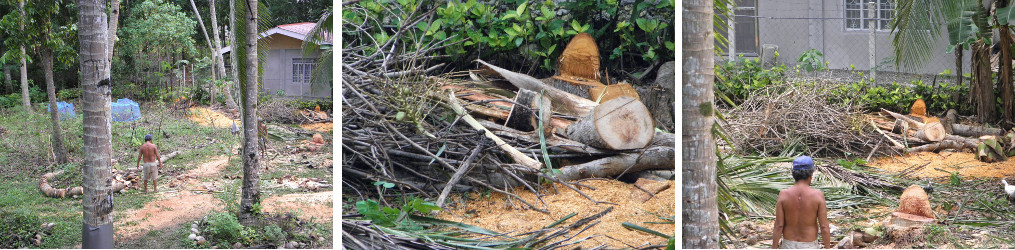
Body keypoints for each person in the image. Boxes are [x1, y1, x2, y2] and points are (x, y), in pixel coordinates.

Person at [772, 156, 830, 249]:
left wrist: (774, 248)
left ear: (793, 174)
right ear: (811, 175)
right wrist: (828, 248)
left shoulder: (783, 194)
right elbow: (824, 227)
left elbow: (779, 226)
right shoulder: (817, 195)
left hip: (788, 245)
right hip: (809, 246)